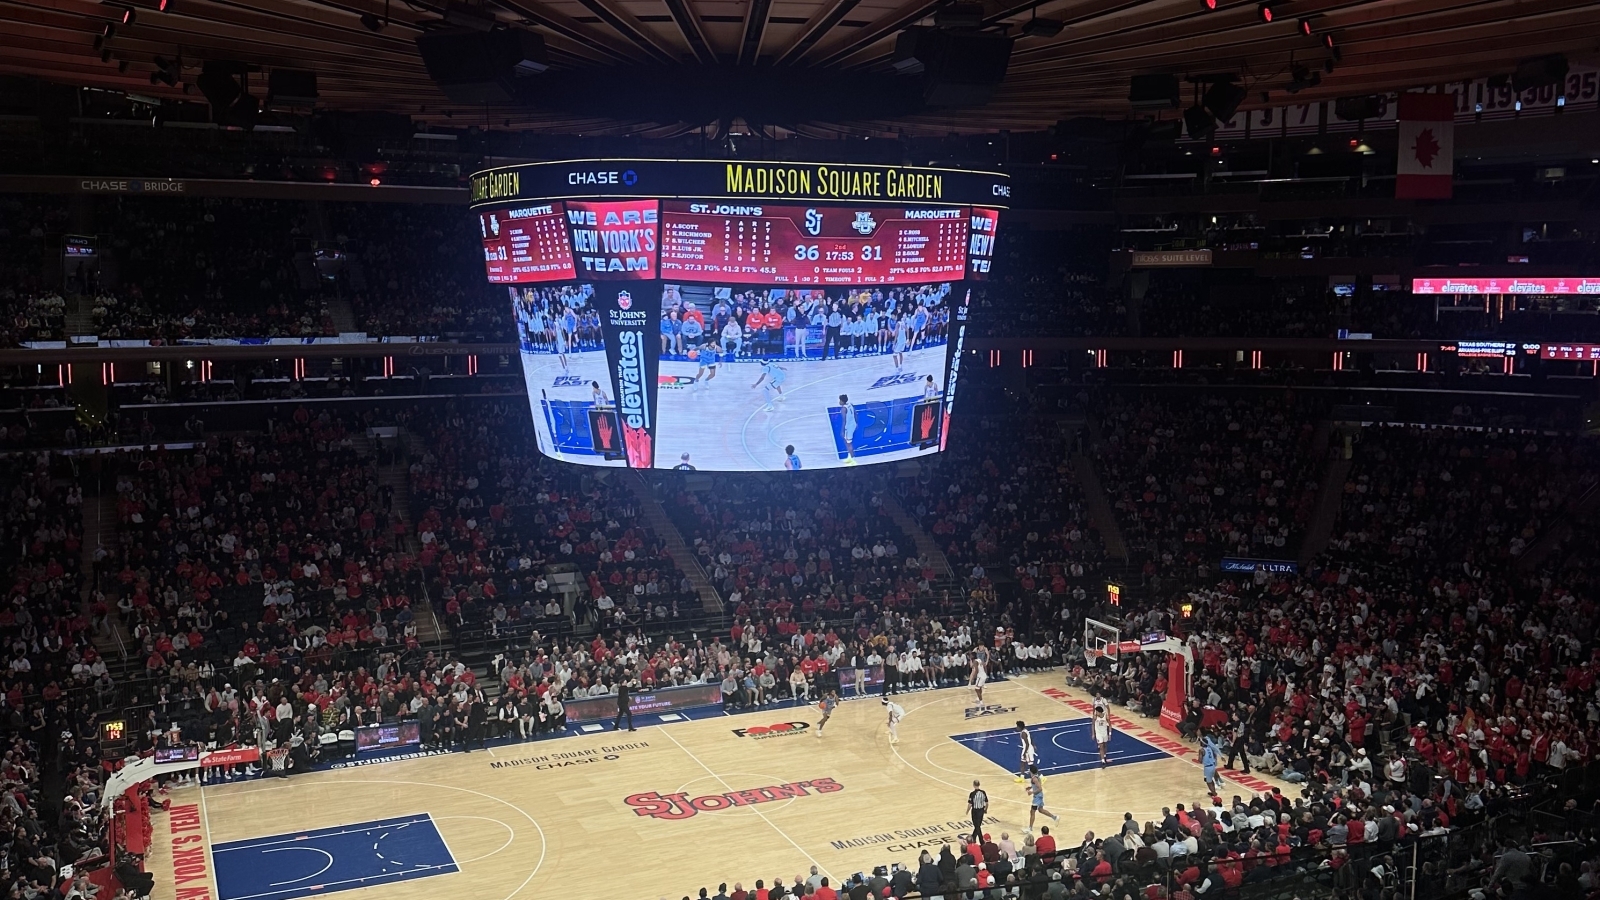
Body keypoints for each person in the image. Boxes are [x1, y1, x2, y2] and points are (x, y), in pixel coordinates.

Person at [1026, 766, 1061, 830]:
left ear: (1031, 771)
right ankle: (1055, 818)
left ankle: (1030, 828)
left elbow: (1040, 788)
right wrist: (1030, 787)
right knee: (1041, 810)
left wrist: (1032, 792)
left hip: (1037, 797)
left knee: (1032, 812)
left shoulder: (1034, 779)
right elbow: (1037, 785)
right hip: (1039, 796)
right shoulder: (1036, 777)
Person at [838, 394, 858, 464]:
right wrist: (856, 423)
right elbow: (855, 414)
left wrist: (842, 430)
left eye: (840, 400)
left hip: (848, 427)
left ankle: (852, 458)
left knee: (848, 443)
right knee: (847, 441)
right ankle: (849, 456)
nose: (839, 402)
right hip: (853, 424)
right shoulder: (850, 405)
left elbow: (844, 421)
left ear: (842, 401)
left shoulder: (843, 409)